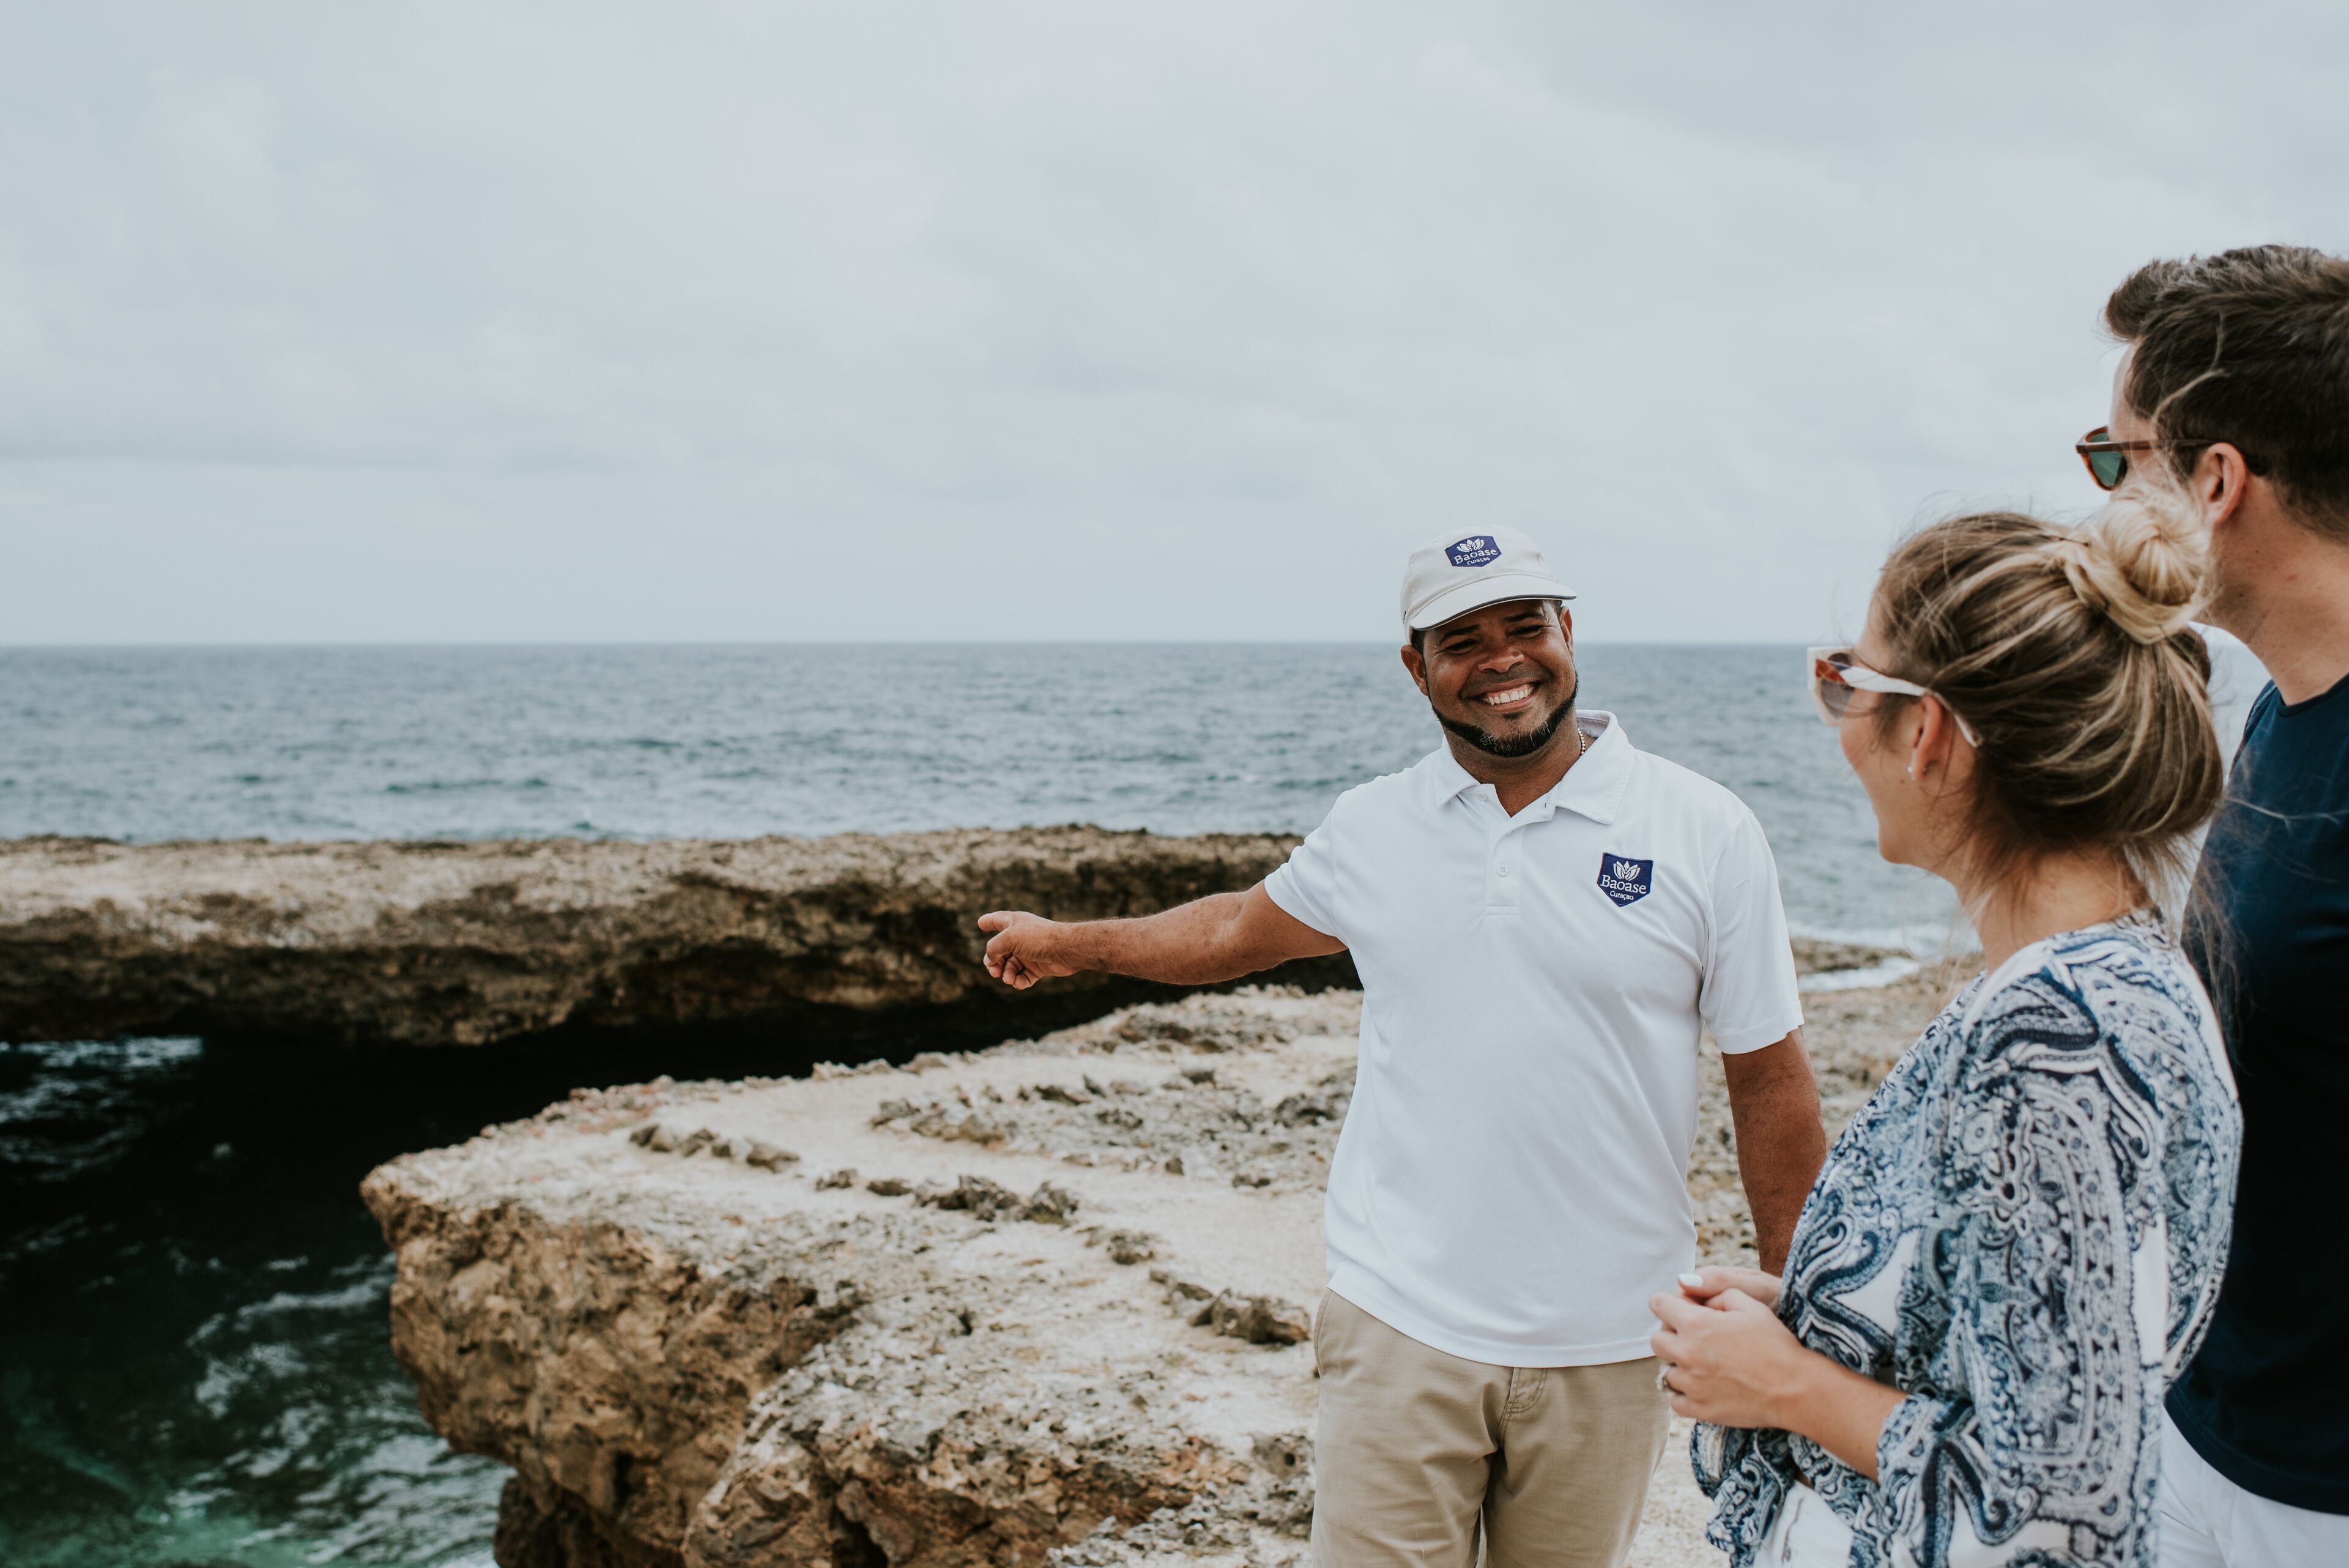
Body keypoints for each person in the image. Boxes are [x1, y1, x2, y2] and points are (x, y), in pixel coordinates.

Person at [978, 527, 1828, 1568]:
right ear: (1415, 666)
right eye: (1463, 640)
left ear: (1570, 634)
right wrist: (1068, 946)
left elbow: (1769, 1078)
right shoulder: (1378, 825)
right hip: (1399, 1326)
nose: (1504, 660)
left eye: (1527, 626)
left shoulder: (1705, 828)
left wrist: (1804, 1301)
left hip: (1609, 1340)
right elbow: (1239, 930)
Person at [1658, 503, 2243, 1567]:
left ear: (1926, 732)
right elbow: (2036, 1346)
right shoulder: (2118, 975)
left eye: (1848, 682)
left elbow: (2061, 1505)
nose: (1837, 722)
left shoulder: (2054, 1035)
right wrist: (1817, 1317)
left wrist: (1787, 1386)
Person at [2091, 245, 2349, 1567]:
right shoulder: (2277, 715)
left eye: (2114, 458)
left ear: (2215, 481)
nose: (2101, 501)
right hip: (2212, 1415)